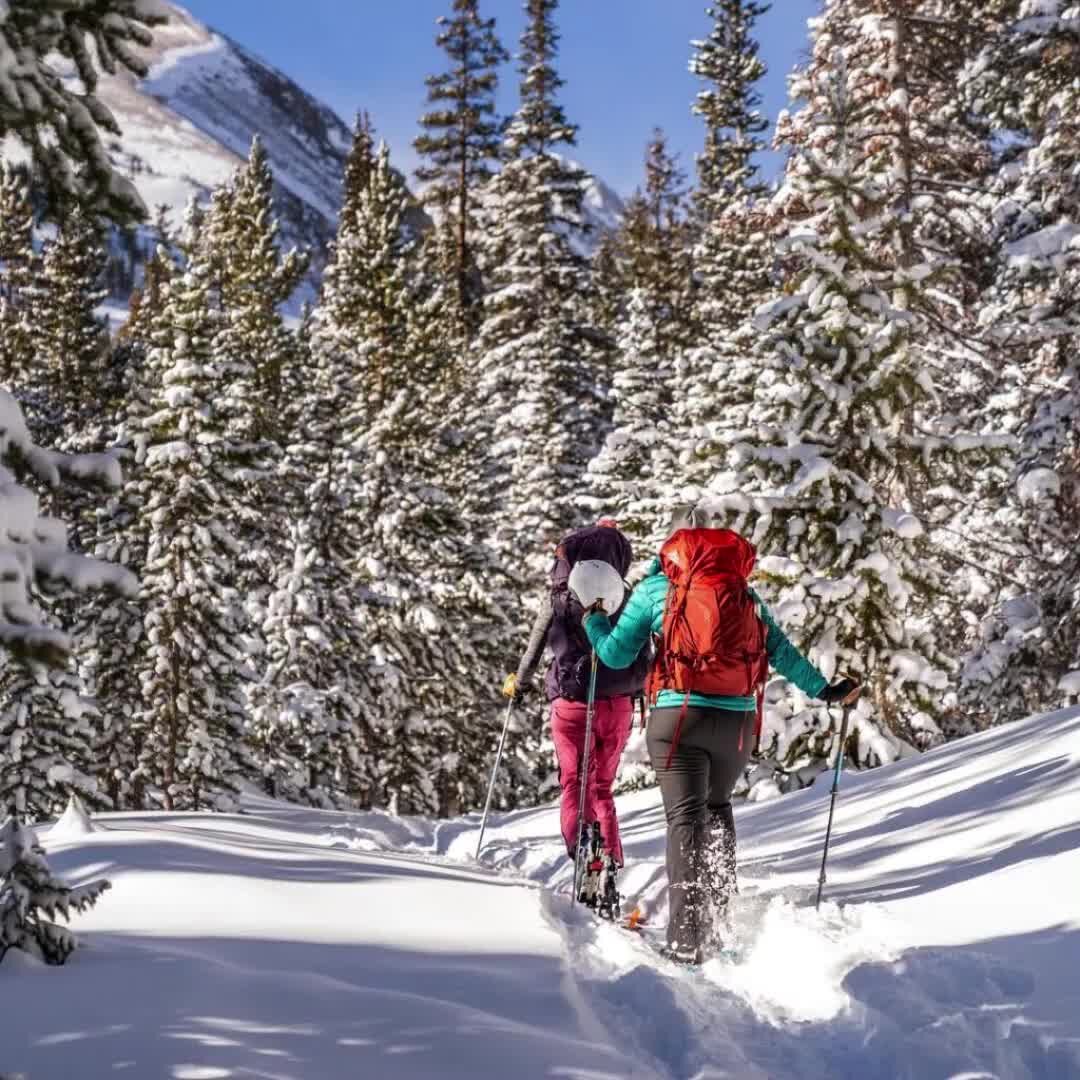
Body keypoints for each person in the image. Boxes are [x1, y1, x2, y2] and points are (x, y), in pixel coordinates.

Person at [582, 507, 860, 964]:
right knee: (717, 810)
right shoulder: (742, 595)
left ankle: (688, 941)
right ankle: (718, 919)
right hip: (735, 727)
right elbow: (783, 652)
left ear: (671, 551)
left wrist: (593, 621)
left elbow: (613, 655)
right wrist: (827, 690)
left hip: (678, 721)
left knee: (685, 821)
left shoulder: (657, 590)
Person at [503, 520, 648, 882]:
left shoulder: (558, 598)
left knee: (575, 783)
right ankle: (609, 863)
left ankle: (582, 846)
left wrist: (517, 684)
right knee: (601, 786)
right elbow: (644, 653)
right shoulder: (628, 599)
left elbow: (535, 648)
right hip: (617, 705)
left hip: (570, 703)